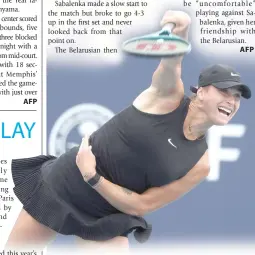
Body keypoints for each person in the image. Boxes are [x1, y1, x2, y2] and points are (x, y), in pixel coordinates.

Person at [6, 10, 251, 252]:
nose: (232, 101)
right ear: (202, 90)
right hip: (65, 184)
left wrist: (93, 177)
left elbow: (142, 205)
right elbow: (172, 63)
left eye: (237, 96)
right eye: (224, 91)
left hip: (108, 214)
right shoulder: (167, 96)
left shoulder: (202, 164)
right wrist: (182, 31)